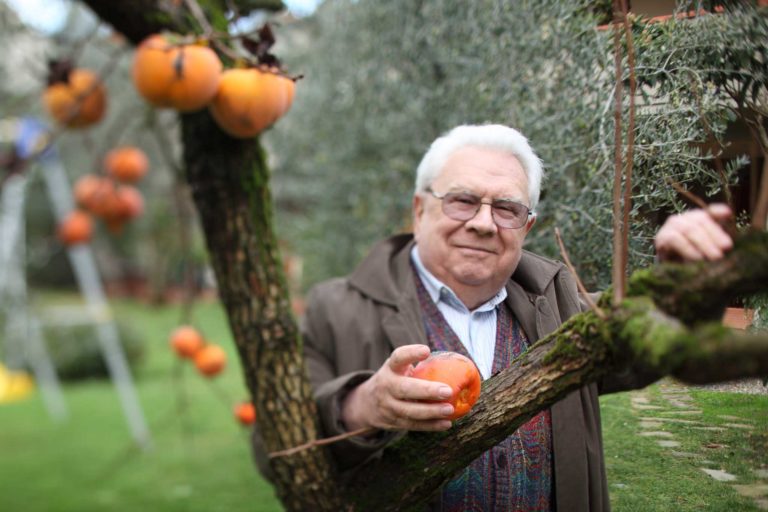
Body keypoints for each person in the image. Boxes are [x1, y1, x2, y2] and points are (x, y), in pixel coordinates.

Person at [299, 124, 734, 511]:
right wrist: (363, 406)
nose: (484, 224)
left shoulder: (563, 307)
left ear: (527, 227)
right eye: (463, 201)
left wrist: (684, 282)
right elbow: (282, 448)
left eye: (506, 208)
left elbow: (650, 344)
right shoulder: (339, 310)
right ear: (419, 209)